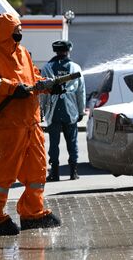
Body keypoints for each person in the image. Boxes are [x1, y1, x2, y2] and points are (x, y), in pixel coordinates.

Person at [0, 12, 61, 238]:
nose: (20, 33)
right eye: (16, 30)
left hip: (31, 122)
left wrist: (49, 86)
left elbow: (32, 79)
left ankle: (33, 213)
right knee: (5, 174)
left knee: (38, 170)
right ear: (5, 32)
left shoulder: (23, 53)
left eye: (20, 29)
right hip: (9, 125)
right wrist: (12, 88)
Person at [40, 40, 86, 182]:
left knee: (53, 143)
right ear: (68, 50)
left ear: (55, 50)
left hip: (53, 112)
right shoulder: (75, 67)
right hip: (70, 112)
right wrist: (81, 111)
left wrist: (42, 111)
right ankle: (73, 173)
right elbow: (81, 92)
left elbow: (43, 92)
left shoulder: (47, 67)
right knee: (72, 142)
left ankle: (55, 173)